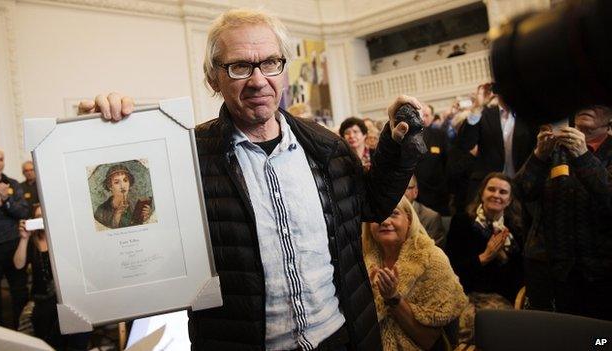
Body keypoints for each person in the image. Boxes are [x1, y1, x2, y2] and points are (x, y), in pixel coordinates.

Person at [77, 9, 425, 350]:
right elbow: (123, 243)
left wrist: (395, 146)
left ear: (283, 70)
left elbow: (372, 205)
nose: (259, 80)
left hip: (340, 338)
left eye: (270, 63)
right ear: (213, 78)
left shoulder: (326, 146)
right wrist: (98, 141)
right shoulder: (185, 158)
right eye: (240, 66)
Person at [514, 105, 612, 320]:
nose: (586, 106)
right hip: (550, 271)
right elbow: (522, 191)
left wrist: (583, 155)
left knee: (596, 341)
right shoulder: (555, 148)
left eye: (596, 103)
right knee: (554, 338)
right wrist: (539, 156)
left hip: (598, 275)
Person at [362, 196, 467, 350]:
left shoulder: (433, 259)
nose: (384, 221)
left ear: (409, 220)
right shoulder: (361, 260)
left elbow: (429, 341)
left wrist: (393, 298)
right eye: (377, 216)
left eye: (393, 214)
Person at [13, 205, 91, 350]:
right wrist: (24, 239)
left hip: (64, 295)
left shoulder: (61, 239)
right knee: (46, 317)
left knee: (80, 321)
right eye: (37, 217)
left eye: (44, 217)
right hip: (41, 298)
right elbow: (18, 265)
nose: (41, 220)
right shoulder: (31, 242)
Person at [446, 172, 523, 302]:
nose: (496, 195)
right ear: (482, 194)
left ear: (509, 200)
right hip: (467, 295)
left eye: (503, 192)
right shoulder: (461, 222)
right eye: (491, 189)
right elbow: (451, 269)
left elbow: (519, 274)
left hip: (505, 299)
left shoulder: (516, 227)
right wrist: (485, 257)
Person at [456, 85, 537, 204]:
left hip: (522, 187)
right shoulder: (484, 114)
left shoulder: (528, 116)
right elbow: (466, 143)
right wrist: (477, 107)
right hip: (489, 188)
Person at [0, 147, 29, 328]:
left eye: (1, 159)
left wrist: (6, 201)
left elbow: (24, 211)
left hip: (14, 247)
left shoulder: (12, 184)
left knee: (19, 292)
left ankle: (22, 333)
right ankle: (0, 338)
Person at [415, 104, 450, 215]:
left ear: (432, 117)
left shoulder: (440, 135)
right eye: (421, 116)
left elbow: (447, 163)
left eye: (426, 115)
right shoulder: (408, 137)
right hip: (416, 196)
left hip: (437, 195)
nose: (423, 119)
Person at [93, 164, 151, 229]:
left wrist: (145, 219)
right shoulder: (101, 211)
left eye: (125, 180)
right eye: (117, 182)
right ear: (110, 186)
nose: (122, 186)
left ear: (129, 183)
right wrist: (117, 214)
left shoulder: (135, 205)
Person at [404, 175, 446, 250]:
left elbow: (434, 252)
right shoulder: (386, 216)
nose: (401, 192)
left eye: (406, 188)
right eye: (397, 189)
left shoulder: (431, 217)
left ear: (415, 191)